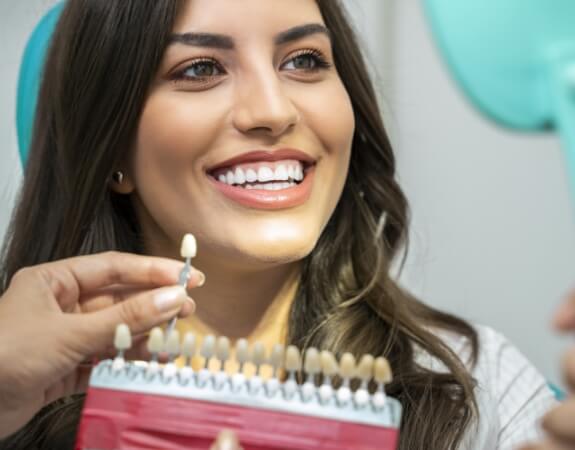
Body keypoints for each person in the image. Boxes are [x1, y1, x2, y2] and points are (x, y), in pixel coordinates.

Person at [0, 0, 564, 448]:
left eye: (304, 60)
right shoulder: (18, 387)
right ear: (112, 144)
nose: (272, 110)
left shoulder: (475, 385)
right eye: (199, 69)